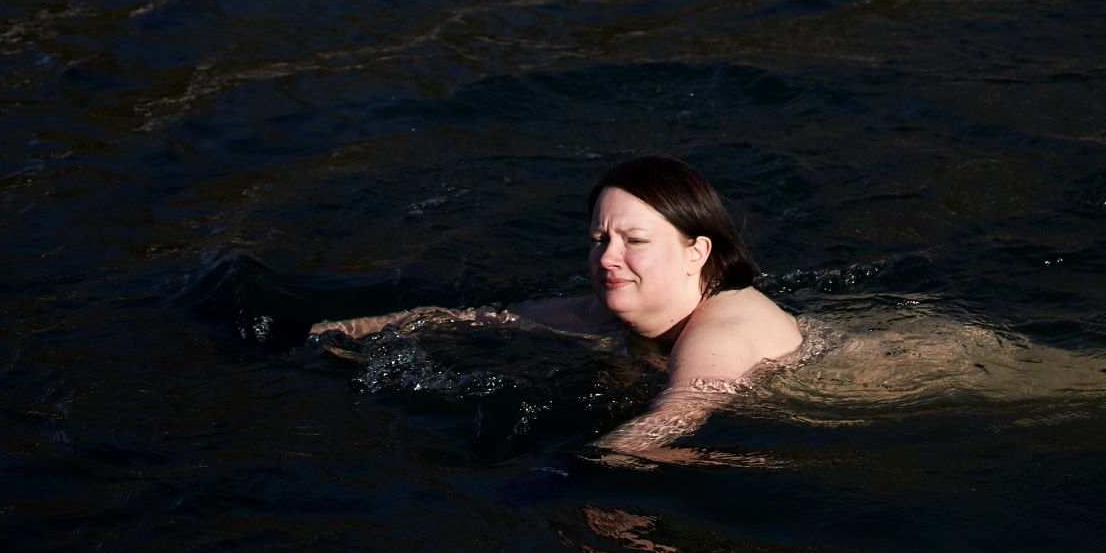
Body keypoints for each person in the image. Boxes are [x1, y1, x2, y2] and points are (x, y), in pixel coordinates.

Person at [309, 154, 802, 459]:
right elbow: (489, 319)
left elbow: (679, 412)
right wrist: (341, 328)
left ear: (697, 253)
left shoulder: (724, 330)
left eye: (634, 240)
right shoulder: (611, 312)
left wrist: (567, 474)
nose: (606, 257)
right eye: (599, 238)